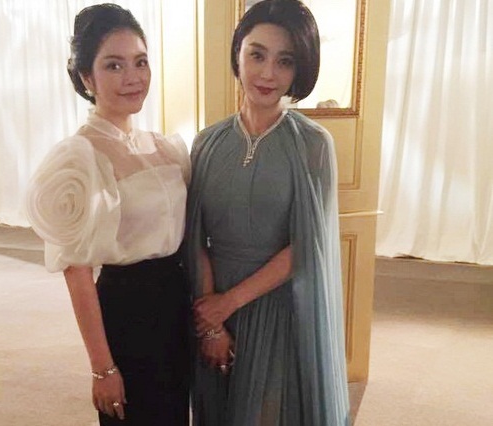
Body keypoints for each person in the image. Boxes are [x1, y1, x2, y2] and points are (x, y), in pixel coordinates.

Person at [185, 0, 350, 425]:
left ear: (299, 69)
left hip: (278, 311)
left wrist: (229, 303)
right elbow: (195, 238)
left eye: (285, 61)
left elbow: (305, 246)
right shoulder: (206, 143)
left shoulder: (313, 144)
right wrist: (212, 324)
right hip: (213, 307)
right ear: (238, 53)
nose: (268, 74)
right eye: (257, 55)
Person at [25, 4, 190, 425]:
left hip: (177, 302)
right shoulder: (80, 157)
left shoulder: (165, 148)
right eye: (114, 65)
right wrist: (102, 368)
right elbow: (77, 271)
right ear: (87, 78)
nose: (132, 77)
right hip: (127, 309)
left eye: (140, 62)